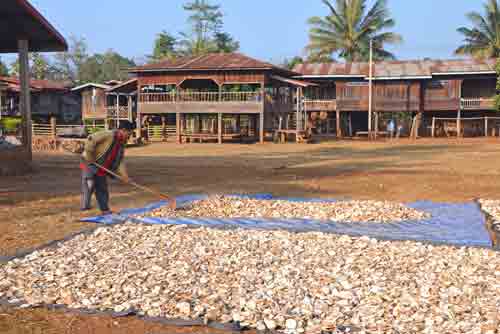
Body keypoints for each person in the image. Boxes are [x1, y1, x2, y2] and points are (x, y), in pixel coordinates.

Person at [80, 121, 134, 215]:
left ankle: (104, 209)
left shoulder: (121, 144)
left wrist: (125, 175)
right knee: (90, 184)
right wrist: (89, 156)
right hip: (89, 163)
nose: (129, 136)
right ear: (123, 130)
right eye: (129, 133)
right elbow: (91, 139)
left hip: (102, 167)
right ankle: (85, 206)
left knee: (102, 187)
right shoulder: (108, 134)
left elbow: (119, 161)